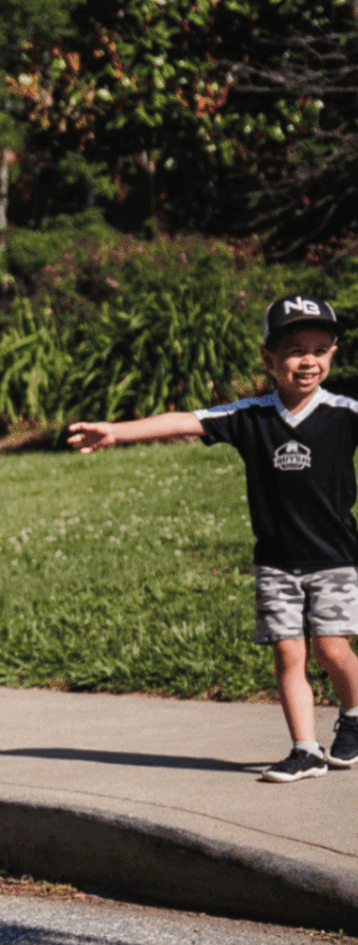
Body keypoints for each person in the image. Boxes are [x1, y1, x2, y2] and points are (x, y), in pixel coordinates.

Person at [70, 295, 358, 782]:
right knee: (288, 654)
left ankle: (353, 715)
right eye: (294, 350)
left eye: (318, 349)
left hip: (335, 559)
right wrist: (117, 432)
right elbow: (186, 420)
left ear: (332, 354)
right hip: (275, 562)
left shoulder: (345, 412)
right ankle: (305, 750)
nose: (308, 361)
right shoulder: (252, 415)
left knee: (331, 651)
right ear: (269, 359)